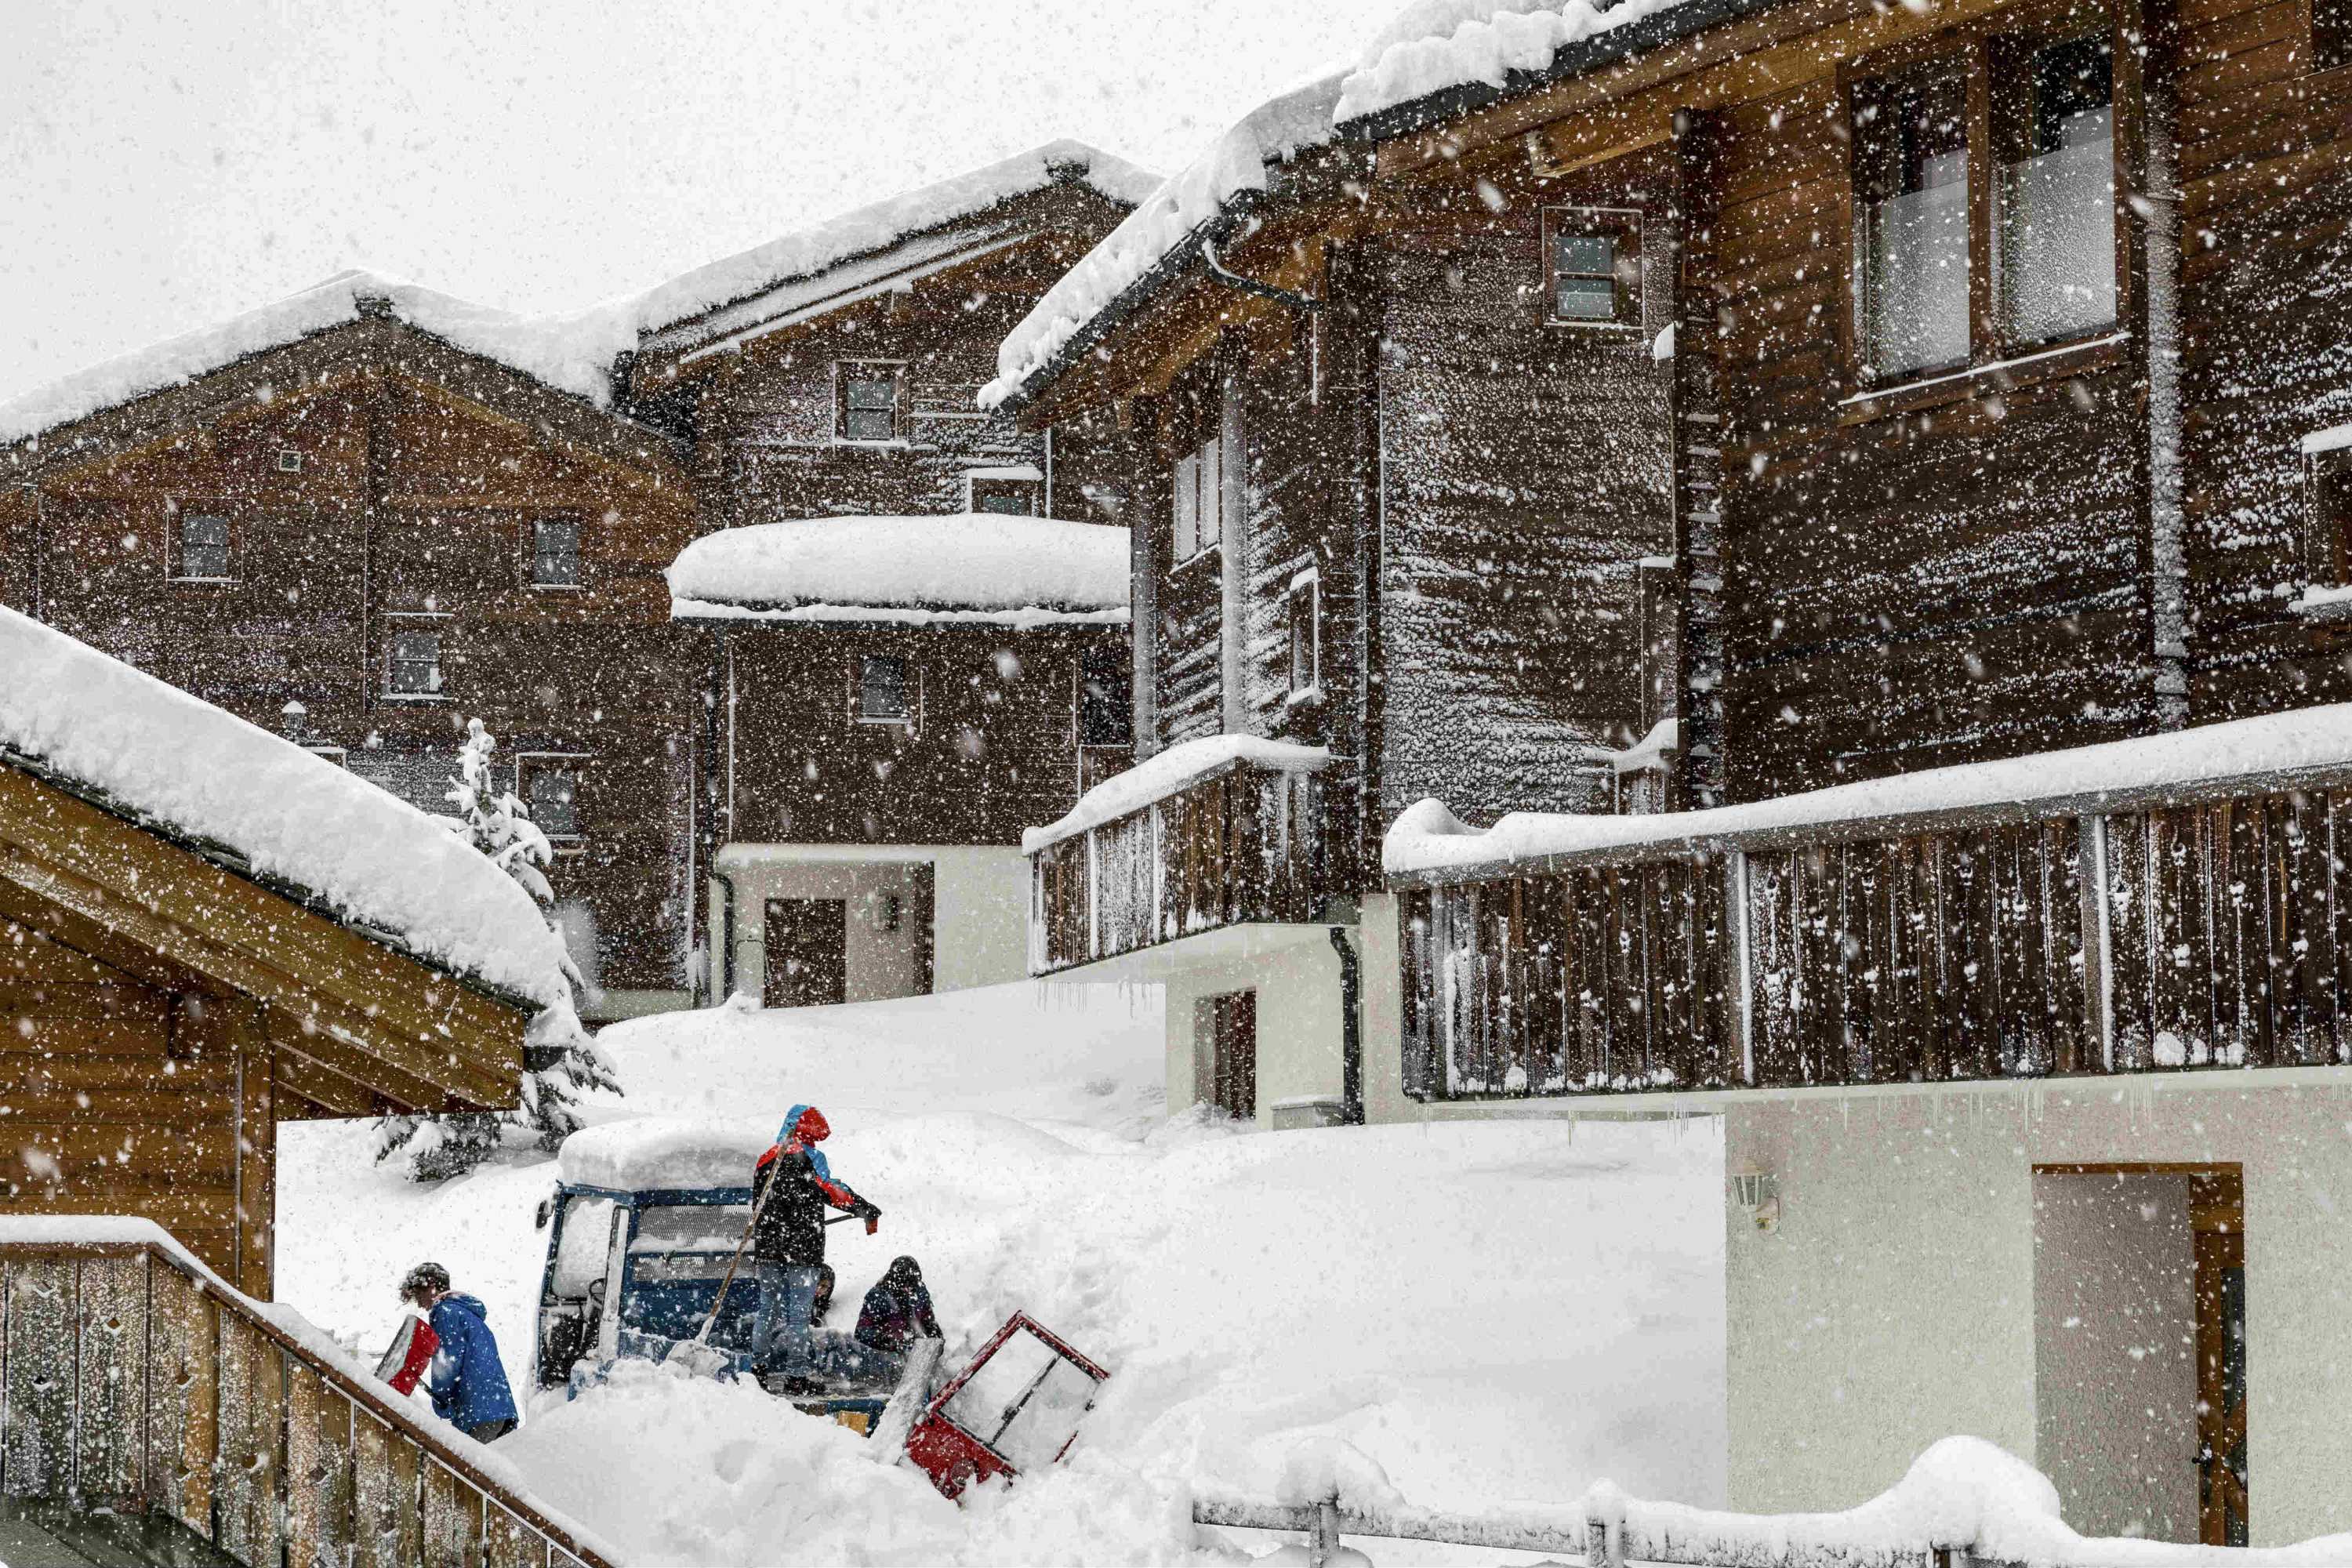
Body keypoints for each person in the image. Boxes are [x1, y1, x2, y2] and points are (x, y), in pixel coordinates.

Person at [750, 1104, 880, 1385]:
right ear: (806, 1130)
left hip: (769, 1249)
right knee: (798, 1317)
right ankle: (796, 1377)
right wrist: (864, 1209)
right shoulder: (809, 1157)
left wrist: (777, 1227)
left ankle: (757, 1371)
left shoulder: (765, 1160)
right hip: (802, 1249)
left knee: (767, 1309)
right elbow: (832, 1192)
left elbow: (756, 1205)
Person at [400, 1262, 520, 1444]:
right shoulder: (465, 1313)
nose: (419, 1304)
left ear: (432, 1287)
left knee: (461, 1469)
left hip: (478, 1412)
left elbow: (447, 1363)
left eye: (418, 1295)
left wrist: (441, 1400)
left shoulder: (445, 1313)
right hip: (497, 1409)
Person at [855, 1256, 942, 1357]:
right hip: (885, 1355)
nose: (908, 1289)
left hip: (913, 1351)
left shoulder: (919, 1291)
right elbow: (861, 1331)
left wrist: (934, 1333)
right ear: (895, 1281)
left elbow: (927, 1316)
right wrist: (885, 1339)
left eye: (912, 1285)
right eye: (905, 1285)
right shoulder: (878, 1297)